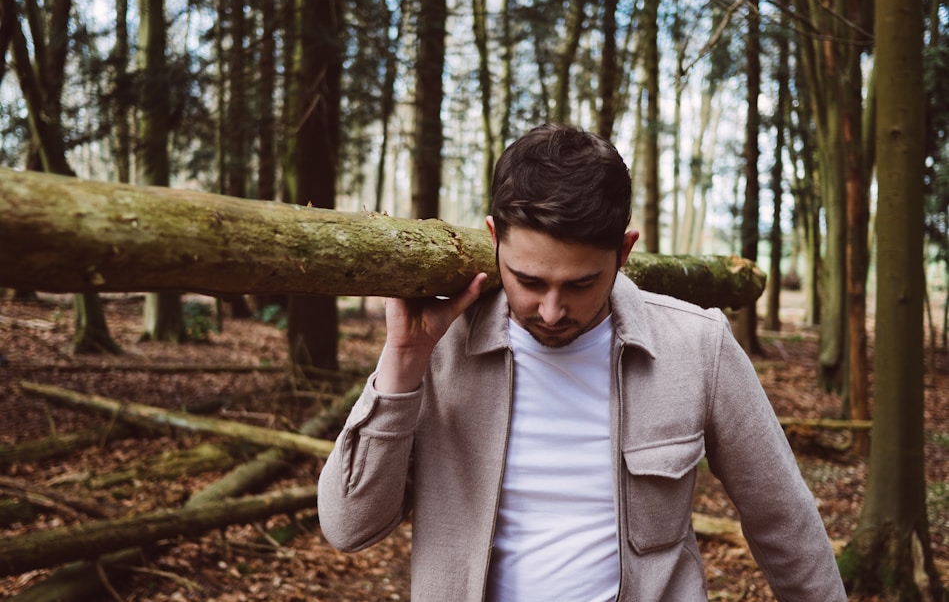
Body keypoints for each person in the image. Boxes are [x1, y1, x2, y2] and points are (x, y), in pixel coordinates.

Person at [317, 124, 847, 601]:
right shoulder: (441, 348)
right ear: (494, 238)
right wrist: (403, 362)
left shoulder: (697, 346)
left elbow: (786, 526)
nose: (550, 311)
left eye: (580, 283)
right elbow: (350, 526)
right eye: (528, 280)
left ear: (624, 251)